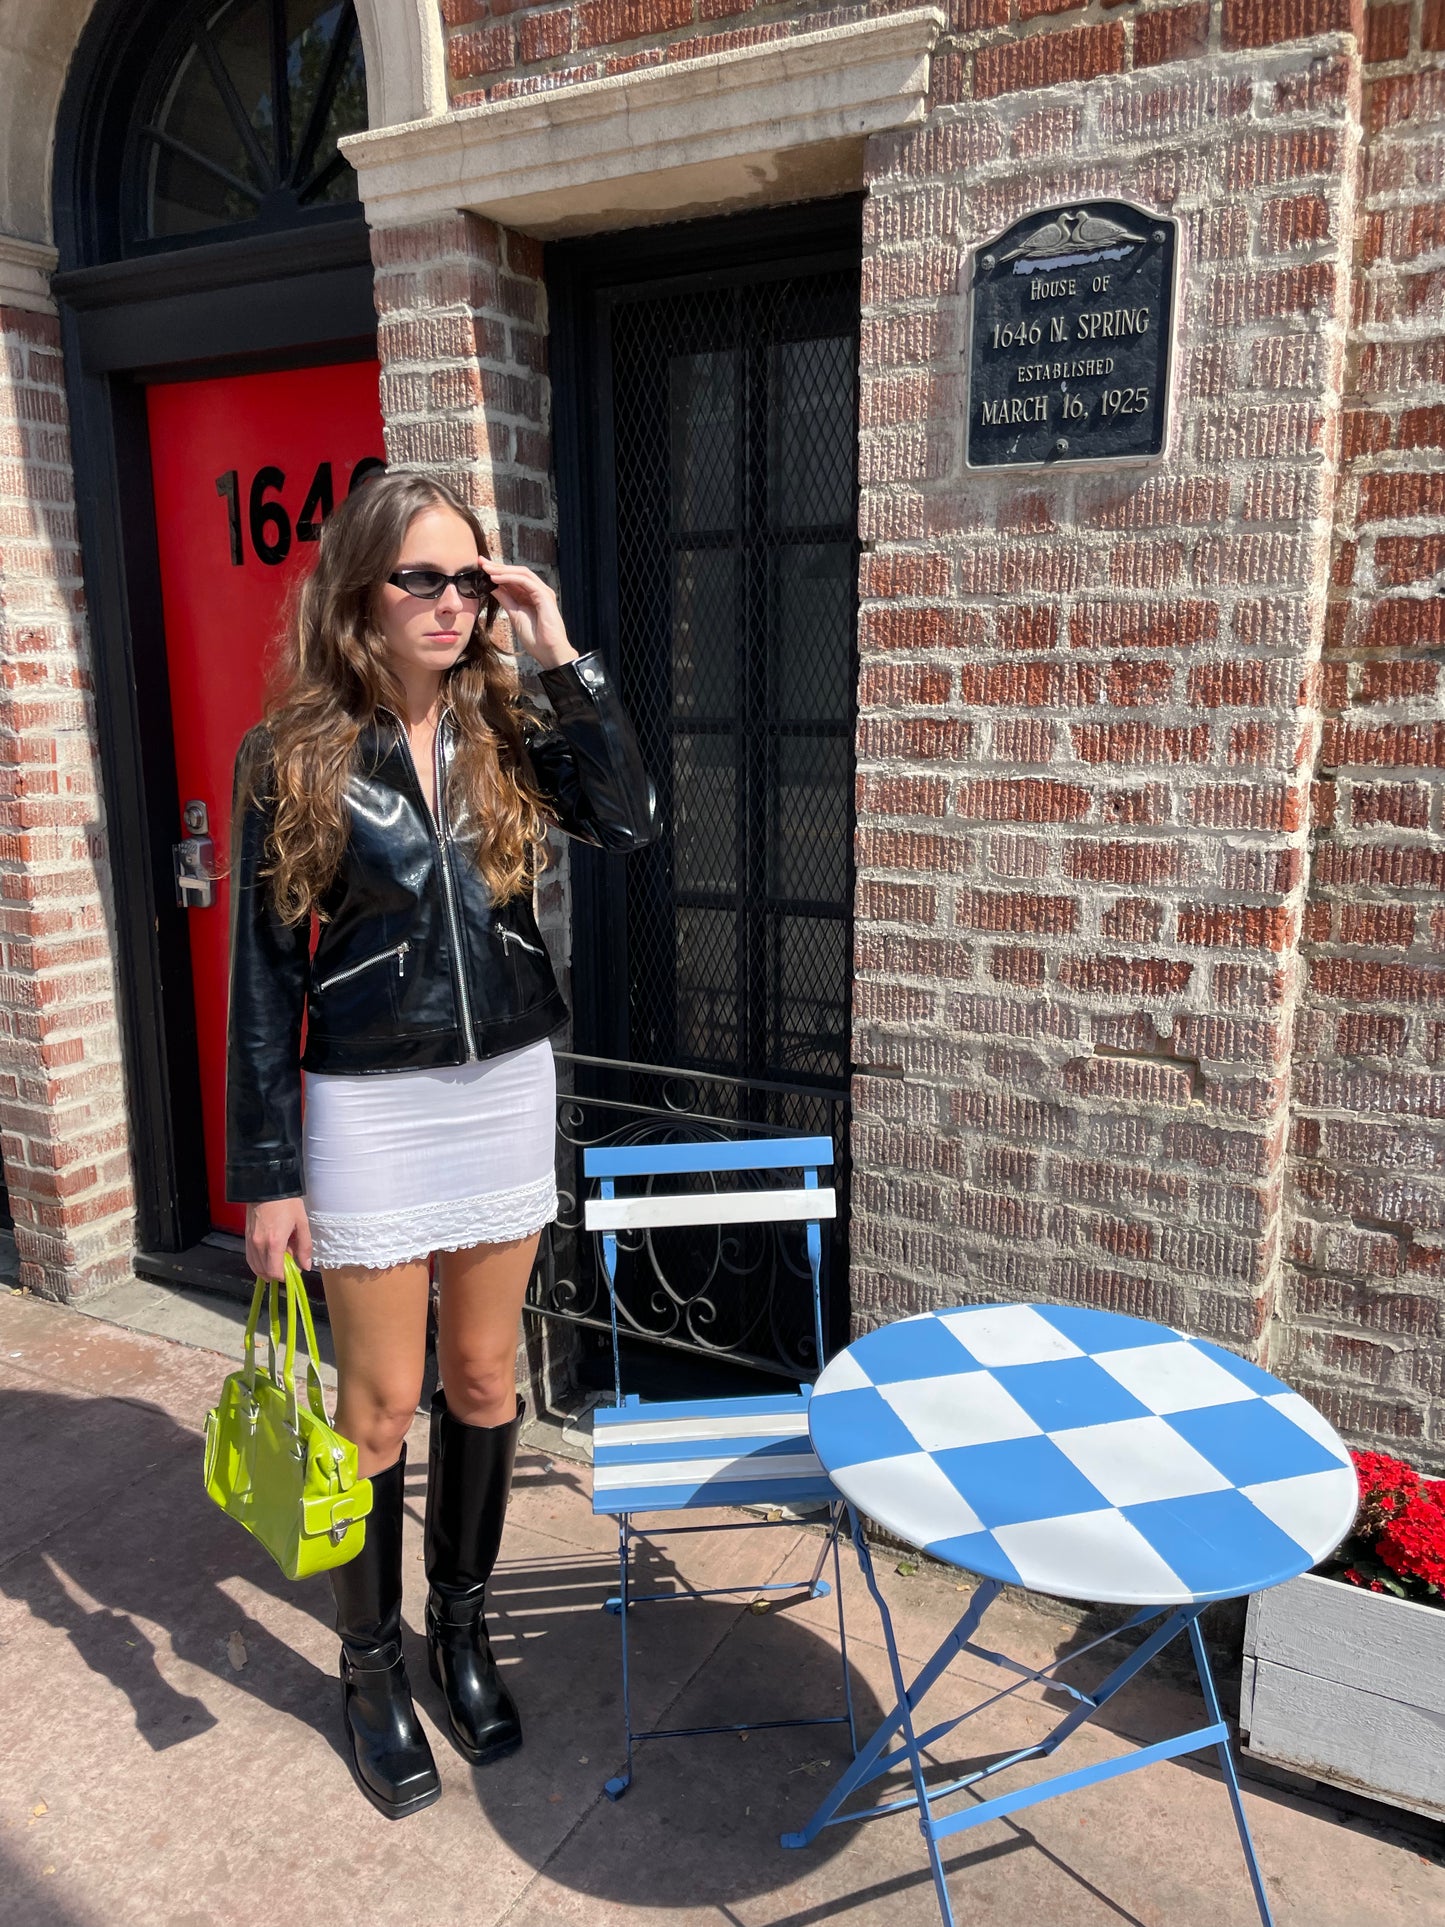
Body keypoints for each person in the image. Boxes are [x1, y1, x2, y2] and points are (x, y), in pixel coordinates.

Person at [225, 469, 655, 1818]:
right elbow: (257, 979)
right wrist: (269, 1173)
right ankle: (369, 1669)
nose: (453, 603)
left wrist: (558, 648)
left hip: (500, 1093)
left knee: (482, 1377)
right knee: (375, 1407)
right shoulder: (289, 750)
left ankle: (457, 1633)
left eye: (472, 580)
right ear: (362, 589)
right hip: (369, 1107)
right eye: (426, 578)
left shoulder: (507, 729)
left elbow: (632, 817)